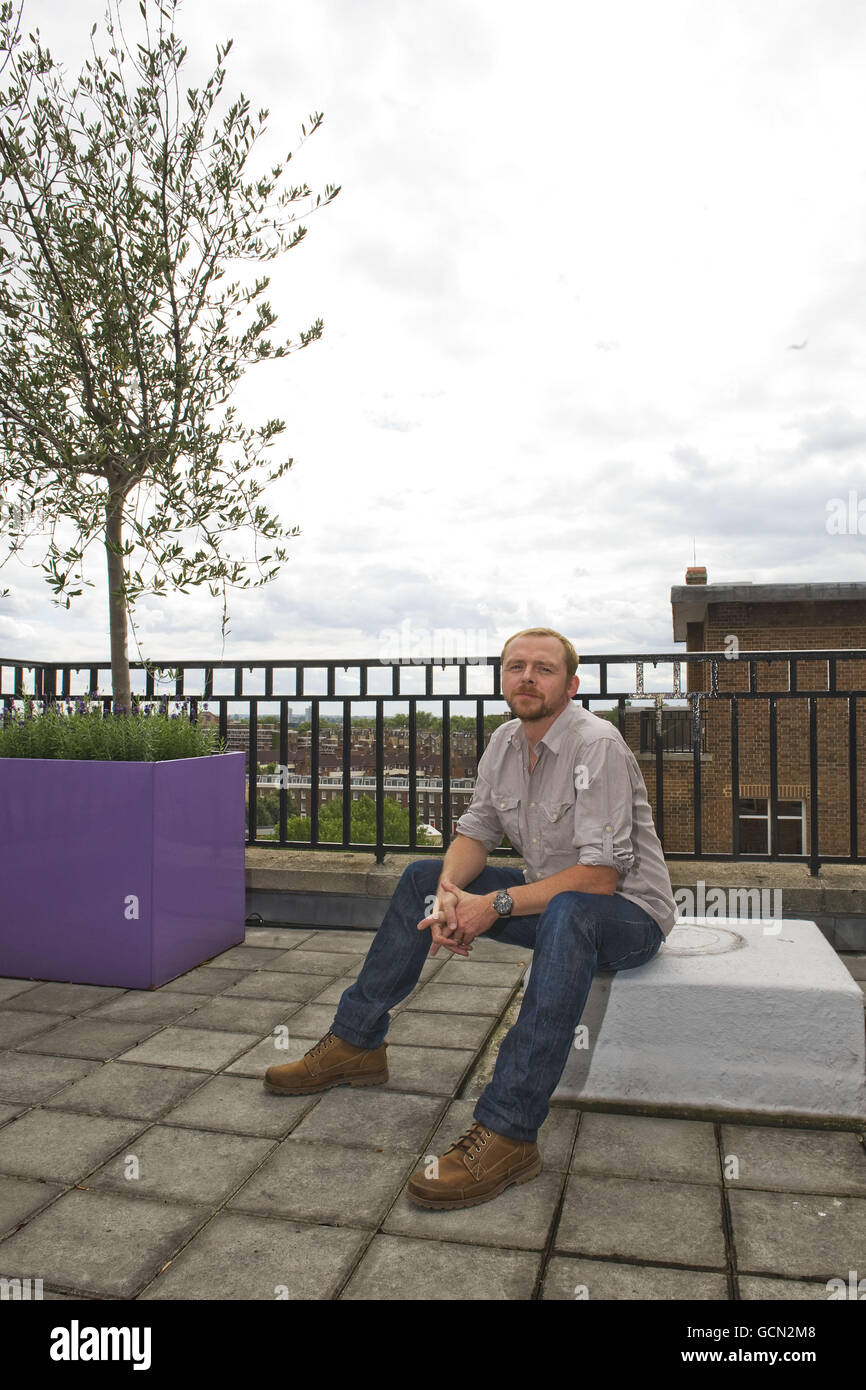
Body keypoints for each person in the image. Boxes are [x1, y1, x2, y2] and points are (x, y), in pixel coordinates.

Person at [264, 627, 678, 1211]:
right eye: (515, 667)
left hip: (628, 916)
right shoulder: (505, 742)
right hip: (556, 901)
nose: (527, 677)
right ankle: (356, 1044)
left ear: (571, 684)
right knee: (417, 880)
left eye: (543, 668)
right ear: (503, 679)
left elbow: (598, 879)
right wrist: (452, 893)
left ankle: (510, 1129)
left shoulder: (596, 745)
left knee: (568, 910)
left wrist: (494, 906)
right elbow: (476, 832)